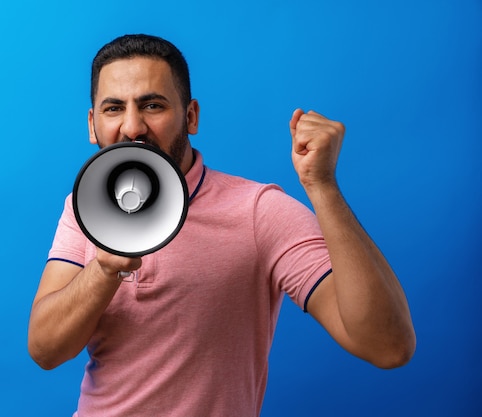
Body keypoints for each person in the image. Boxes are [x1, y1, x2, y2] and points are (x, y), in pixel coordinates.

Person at [28, 34, 416, 416]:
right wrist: (104, 269)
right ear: (93, 125)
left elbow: (388, 346)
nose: (133, 127)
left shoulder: (259, 211)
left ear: (191, 116)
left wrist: (323, 187)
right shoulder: (83, 208)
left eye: (152, 105)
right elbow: (45, 350)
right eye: (114, 109)